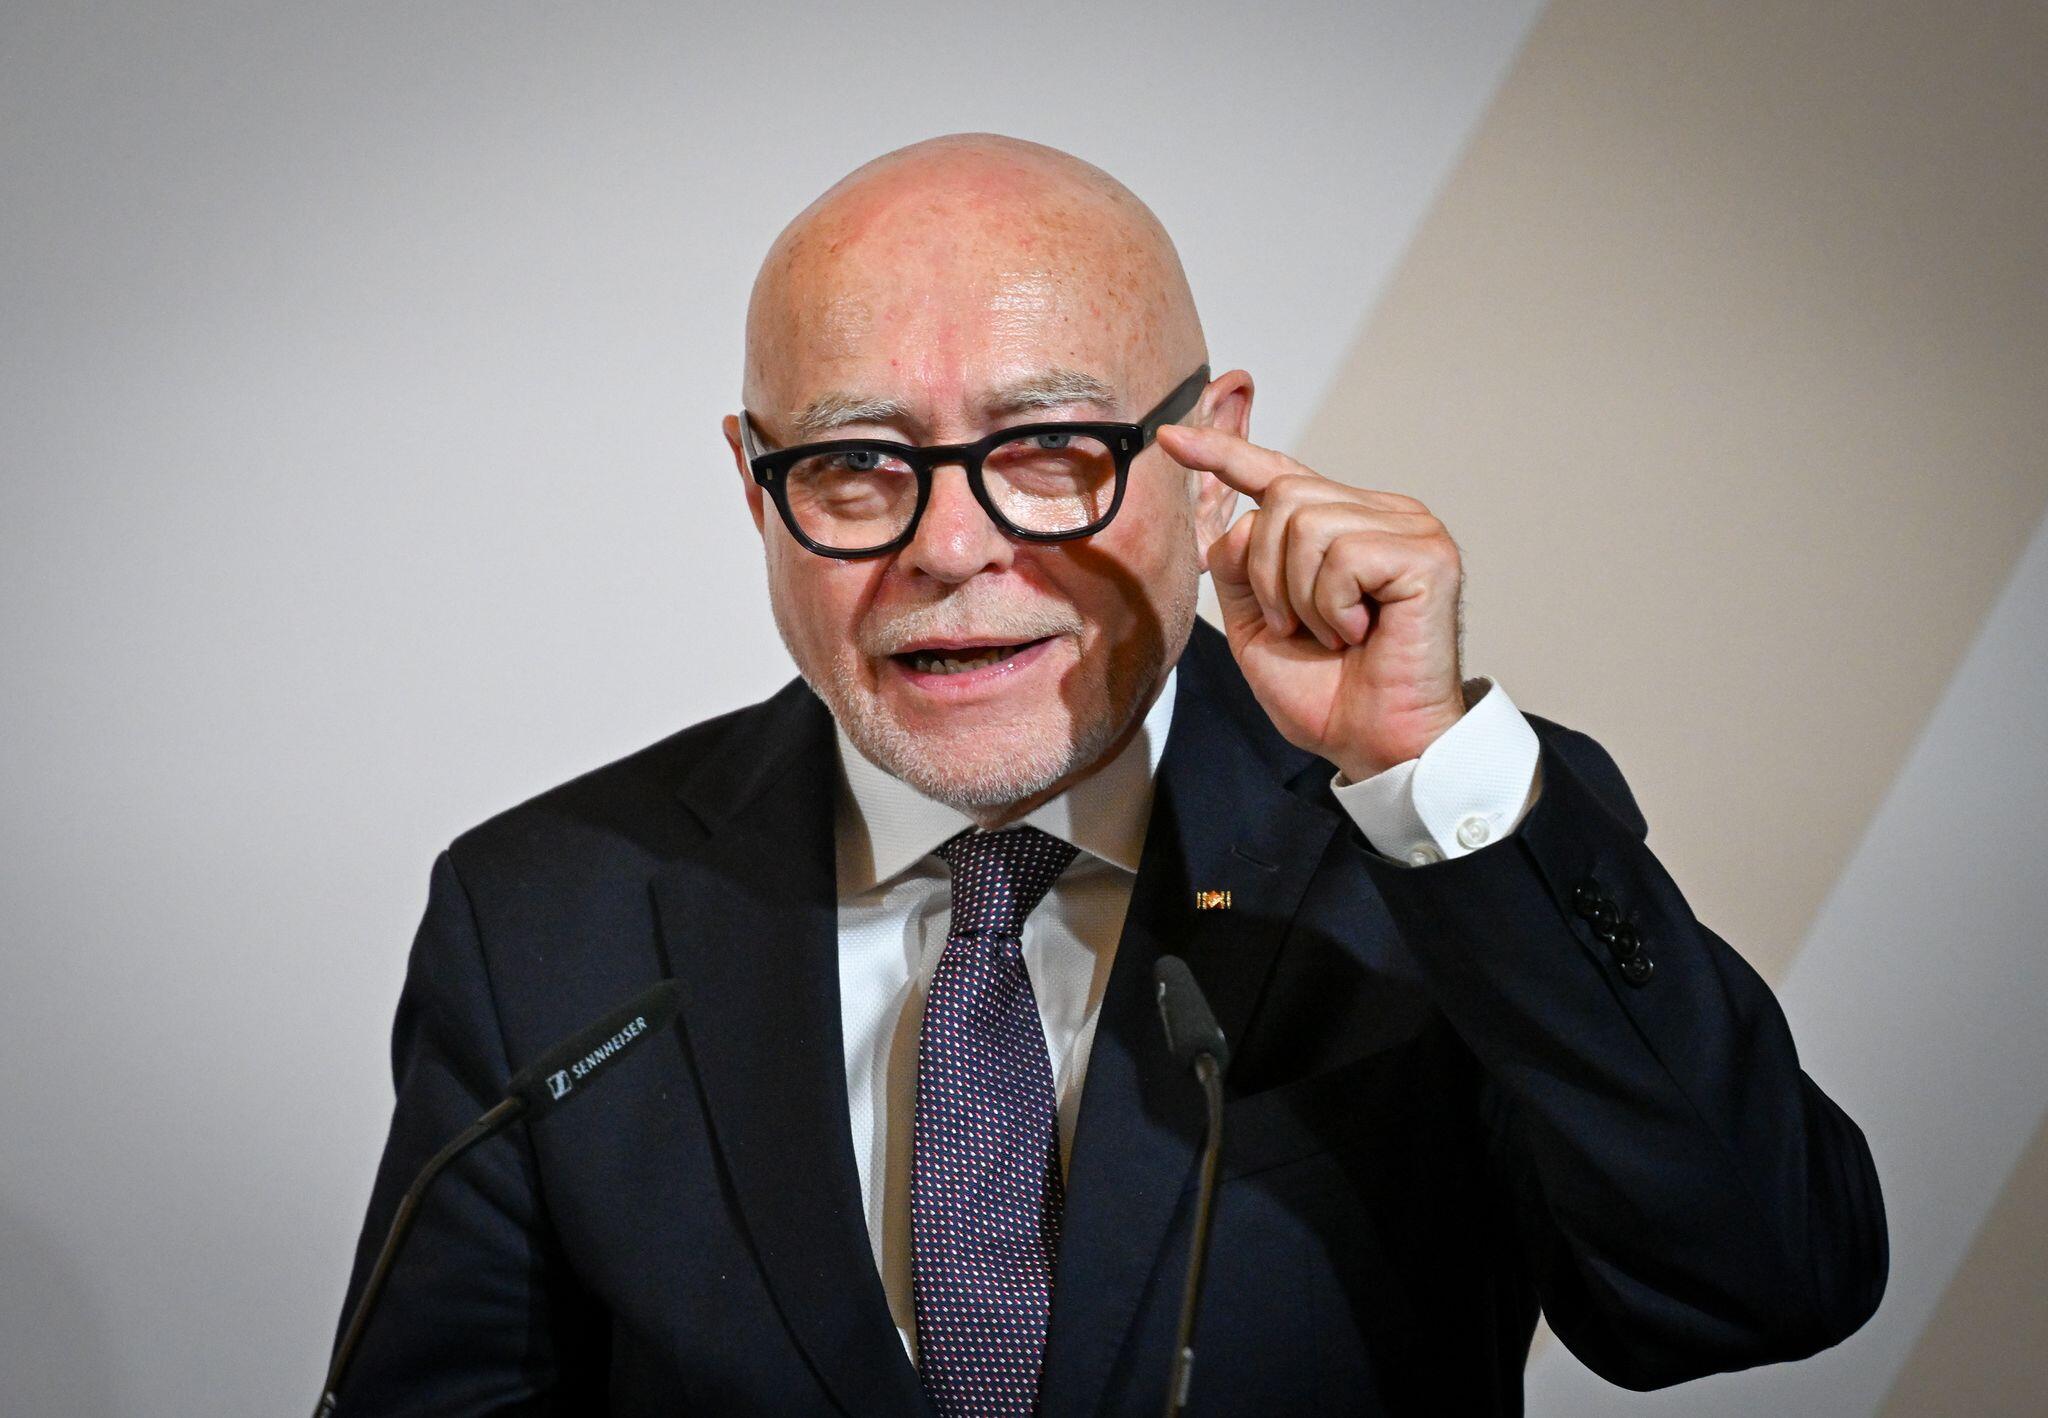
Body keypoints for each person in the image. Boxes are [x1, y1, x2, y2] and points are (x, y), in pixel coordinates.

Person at [332, 133, 1886, 1416]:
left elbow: (1759, 1285)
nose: (953, 546)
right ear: (756, 488)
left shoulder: (1438, 843)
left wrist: (1426, 774)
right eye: (858, 462)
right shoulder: (545, 917)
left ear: (1210, 457)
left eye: (1051, 447)